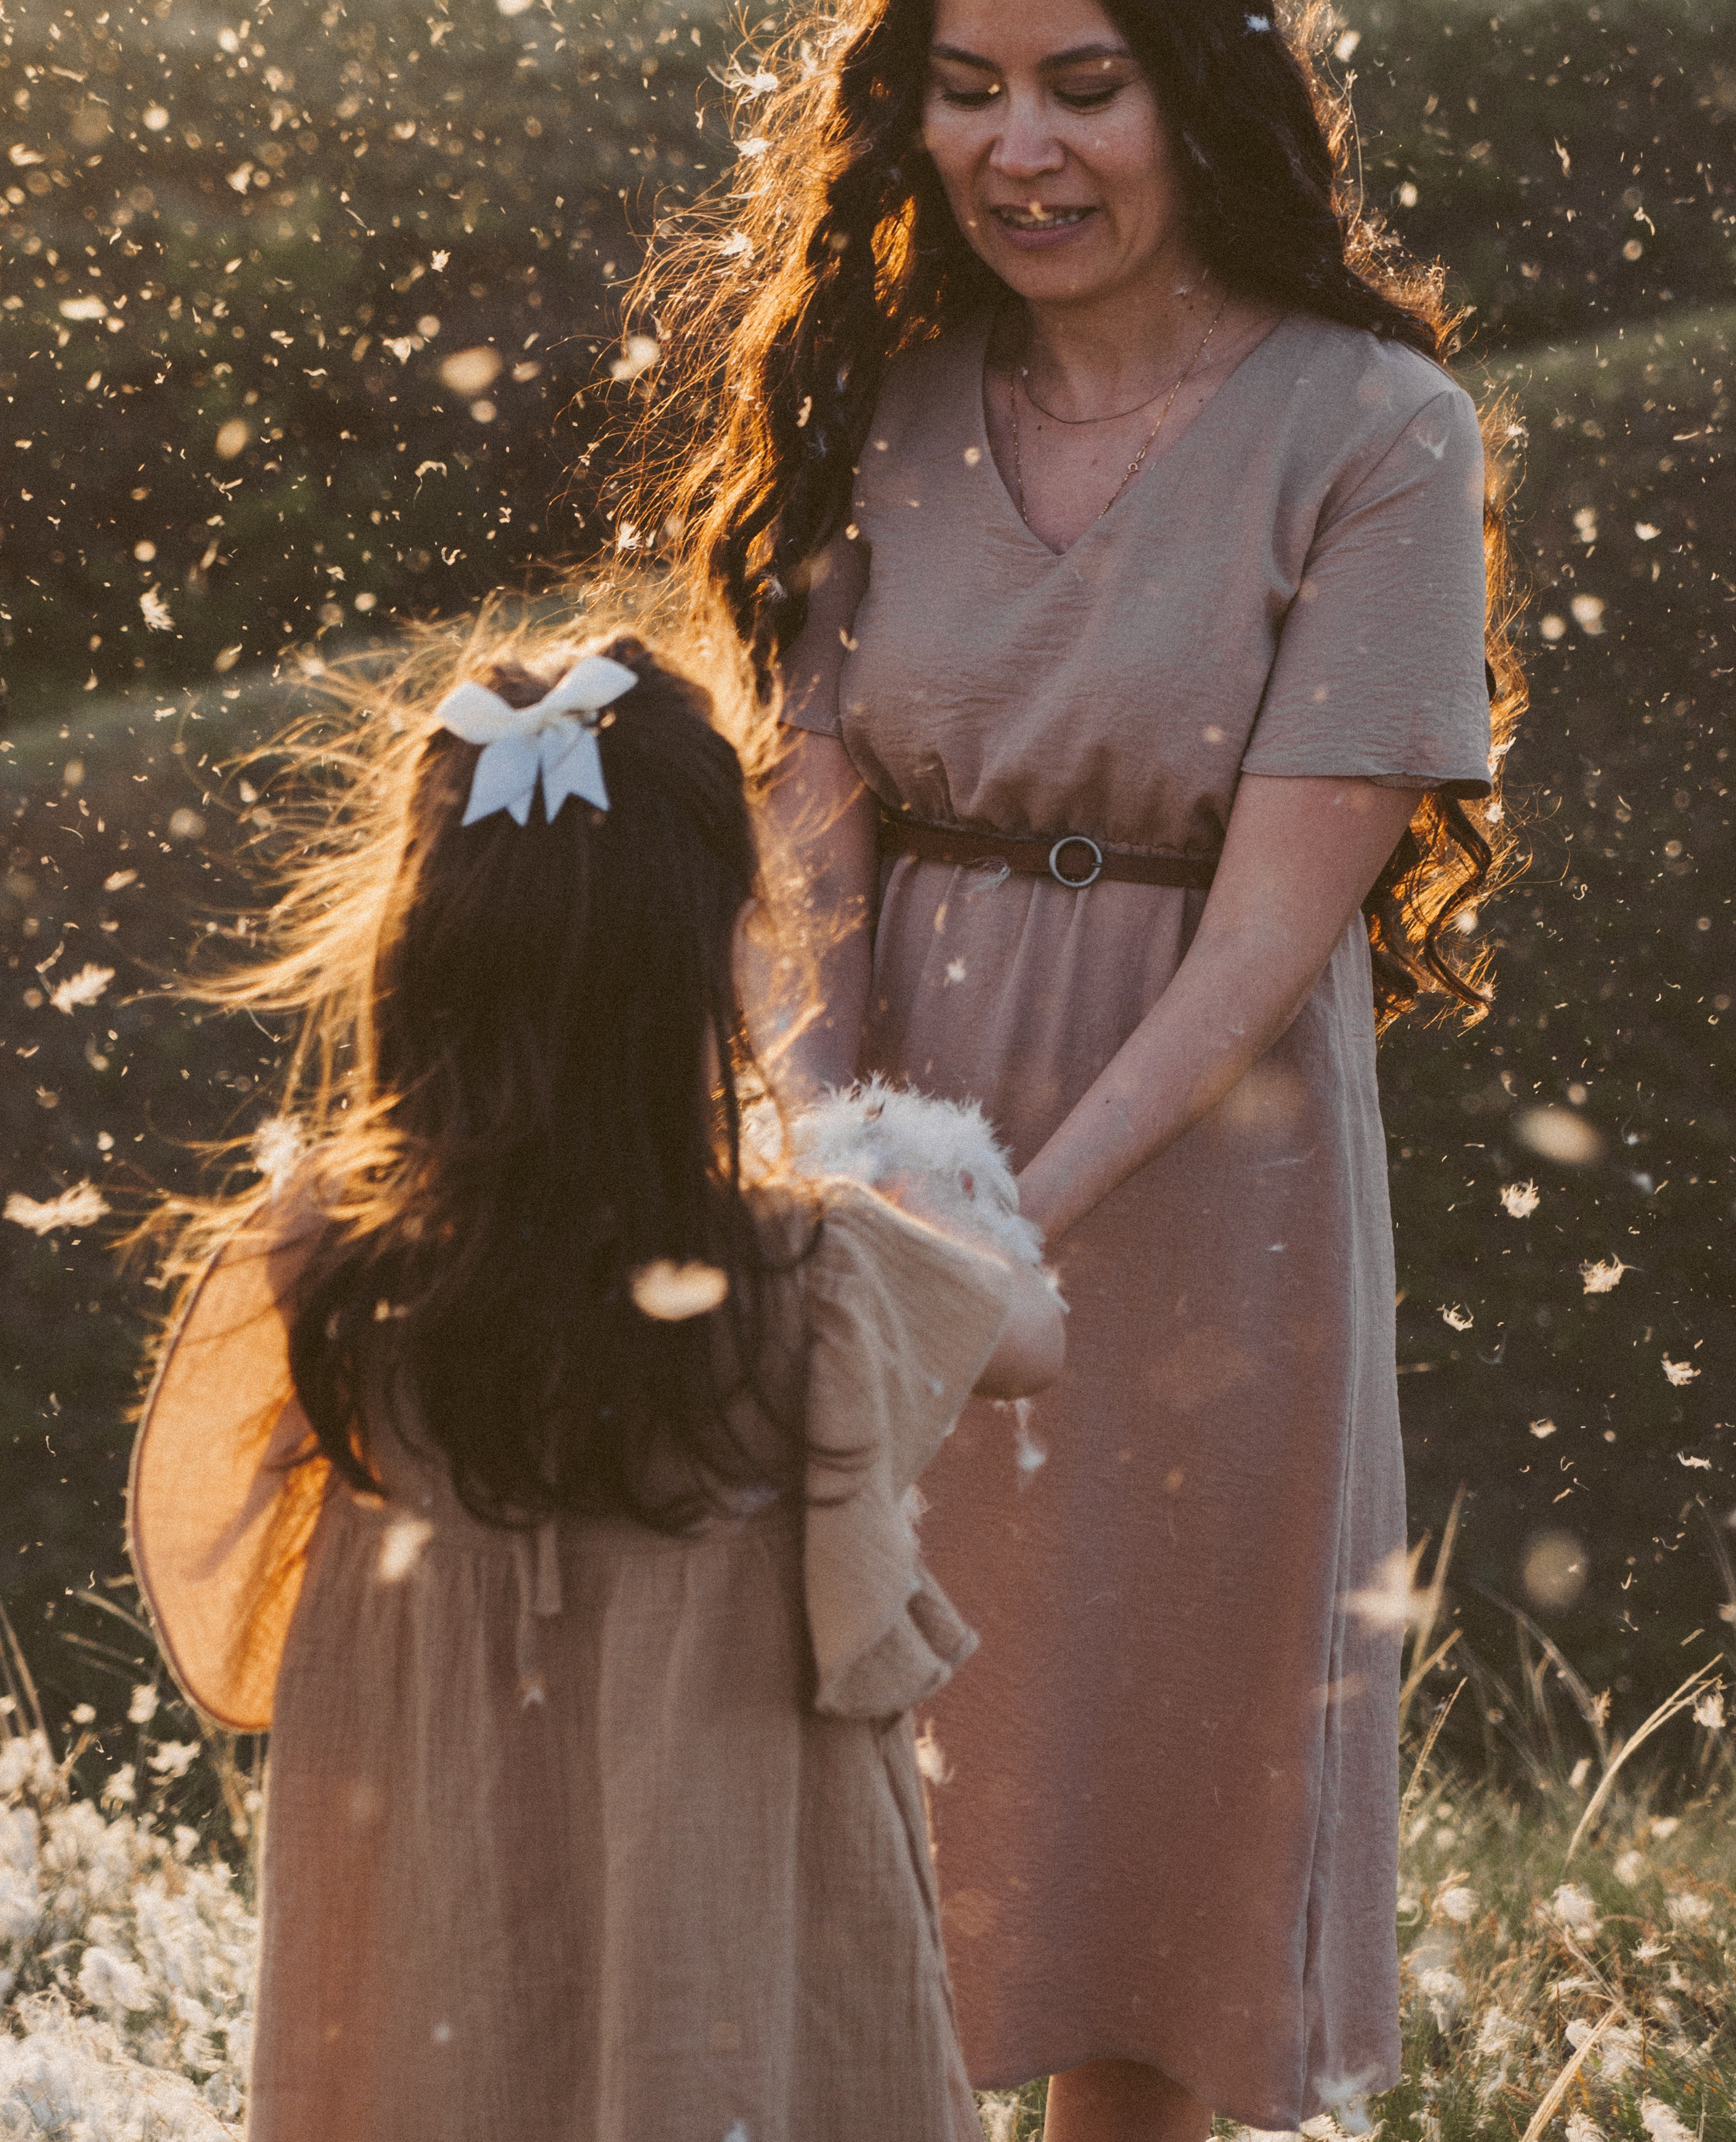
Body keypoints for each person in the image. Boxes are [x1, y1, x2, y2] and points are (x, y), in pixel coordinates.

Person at [621, 0, 1522, 2142]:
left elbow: (1263, 943)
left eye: (1084, 84)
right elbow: (810, 809)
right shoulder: (876, 391)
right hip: (884, 1132)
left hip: (1198, 1182)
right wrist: (837, 1158)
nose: (1018, 147)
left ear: (1198, 85)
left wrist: (999, 1216)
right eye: (966, 81)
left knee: (1141, 1838)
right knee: (850, 1789)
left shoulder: (1375, 432)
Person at [127, 617, 1065, 2142]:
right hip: (735, 1977)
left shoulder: (325, 1271)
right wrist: (910, 1178)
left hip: (438, 1949)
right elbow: (1030, 1336)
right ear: (711, 958)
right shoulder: (805, 1270)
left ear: (416, 957)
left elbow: (223, 1640)